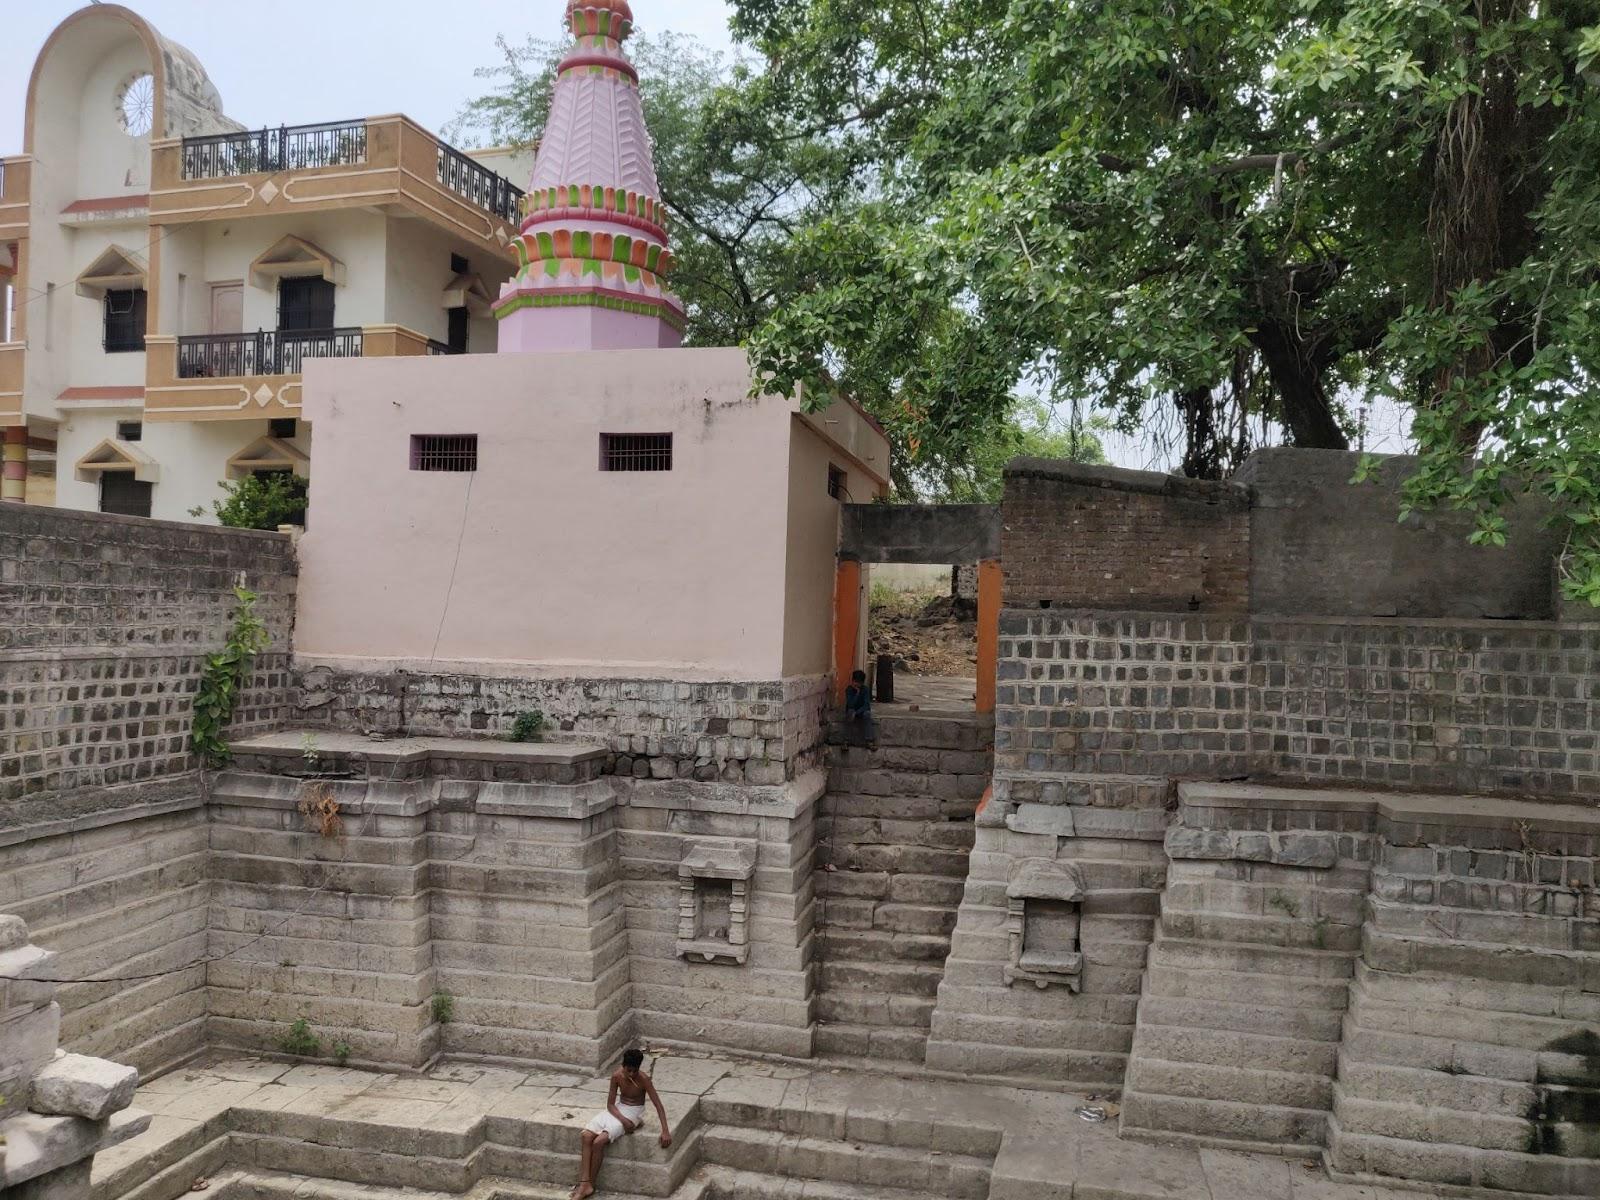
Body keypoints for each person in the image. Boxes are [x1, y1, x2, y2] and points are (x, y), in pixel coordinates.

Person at [571, 1048, 671, 1198]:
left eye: (634, 1071)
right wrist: (623, 1120)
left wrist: (665, 1131)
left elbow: (658, 1105)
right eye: (628, 1070)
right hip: (618, 1109)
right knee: (586, 1136)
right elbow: (610, 1104)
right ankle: (584, 1183)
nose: (631, 1074)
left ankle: (590, 1184)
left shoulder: (644, 1079)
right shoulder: (616, 1076)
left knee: (598, 1142)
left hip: (634, 1111)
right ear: (623, 1066)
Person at [844, 668, 877, 748]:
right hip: (852, 710)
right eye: (855, 682)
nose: (856, 684)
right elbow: (850, 704)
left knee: (867, 714)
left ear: (862, 683)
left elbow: (866, 705)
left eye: (858, 683)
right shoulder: (849, 690)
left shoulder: (865, 690)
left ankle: (869, 740)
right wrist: (857, 694)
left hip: (861, 711)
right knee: (850, 713)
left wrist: (857, 712)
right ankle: (846, 740)